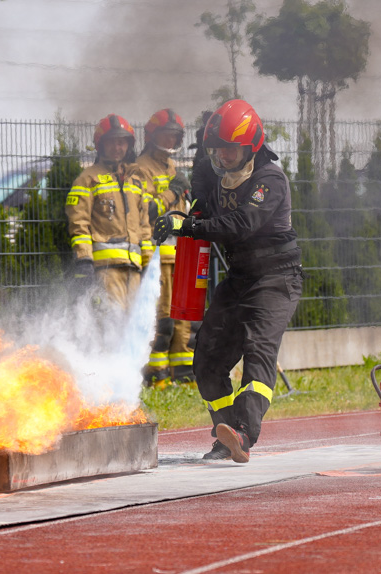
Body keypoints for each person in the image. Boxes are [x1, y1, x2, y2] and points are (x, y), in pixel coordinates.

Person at [153, 99, 303, 463]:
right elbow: (205, 210)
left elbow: (240, 225)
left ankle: (245, 432)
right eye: (217, 151)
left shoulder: (270, 180)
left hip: (275, 278)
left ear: (251, 146)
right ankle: (225, 434)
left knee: (258, 352)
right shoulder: (212, 171)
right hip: (240, 277)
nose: (223, 159)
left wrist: (187, 225)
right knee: (207, 356)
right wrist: (184, 214)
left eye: (231, 151)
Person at [65, 113, 151, 310]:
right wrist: (84, 260)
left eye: (122, 142)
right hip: (106, 270)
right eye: (112, 142)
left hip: (135, 270)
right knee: (111, 327)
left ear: (128, 145)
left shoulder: (136, 181)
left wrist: (148, 263)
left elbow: (144, 227)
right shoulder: (88, 179)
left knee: (135, 329)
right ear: (101, 145)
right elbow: (79, 223)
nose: (117, 147)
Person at [136, 109, 196, 388]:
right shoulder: (141, 168)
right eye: (166, 134)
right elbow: (146, 211)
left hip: (180, 249)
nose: (171, 140)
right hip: (156, 251)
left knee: (184, 312)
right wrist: (173, 191)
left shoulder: (172, 168)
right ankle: (156, 374)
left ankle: (183, 372)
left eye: (175, 135)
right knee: (161, 315)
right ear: (152, 137)